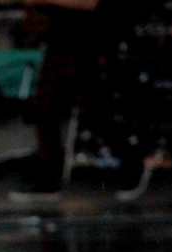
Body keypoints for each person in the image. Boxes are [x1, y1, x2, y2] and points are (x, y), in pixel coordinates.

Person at [8, 0, 102, 203]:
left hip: (89, 44)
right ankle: (48, 178)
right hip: (60, 42)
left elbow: (90, 3)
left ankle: (131, 166)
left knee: (96, 112)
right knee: (44, 109)